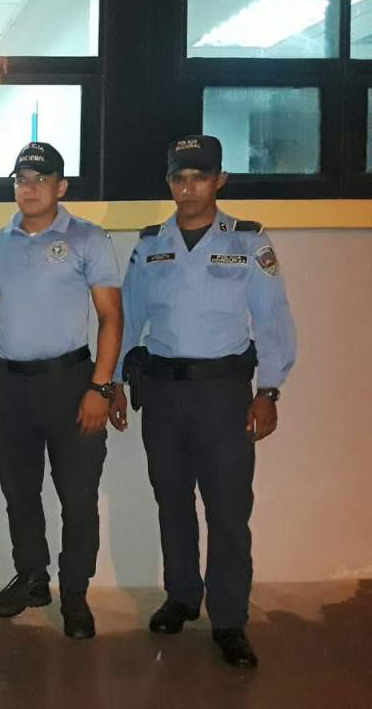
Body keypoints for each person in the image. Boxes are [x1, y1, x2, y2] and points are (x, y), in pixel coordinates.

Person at [110, 134, 297, 669]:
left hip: (223, 395)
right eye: (179, 177)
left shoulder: (248, 242)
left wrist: (268, 390)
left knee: (228, 509)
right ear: (169, 182)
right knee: (171, 500)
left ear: (219, 180)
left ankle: (230, 619)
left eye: (199, 177)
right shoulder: (151, 245)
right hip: (162, 394)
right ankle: (182, 596)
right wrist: (114, 381)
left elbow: (273, 319)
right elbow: (126, 318)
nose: (188, 187)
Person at [0, 142, 123, 639]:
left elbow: (111, 316)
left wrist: (101, 387)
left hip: (73, 386)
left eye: (41, 179)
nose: (30, 187)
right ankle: (33, 578)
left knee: (77, 499)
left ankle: (76, 593)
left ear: (61, 187)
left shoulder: (87, 238)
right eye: (22, 179)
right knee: (19, 494)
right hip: (12, 390)